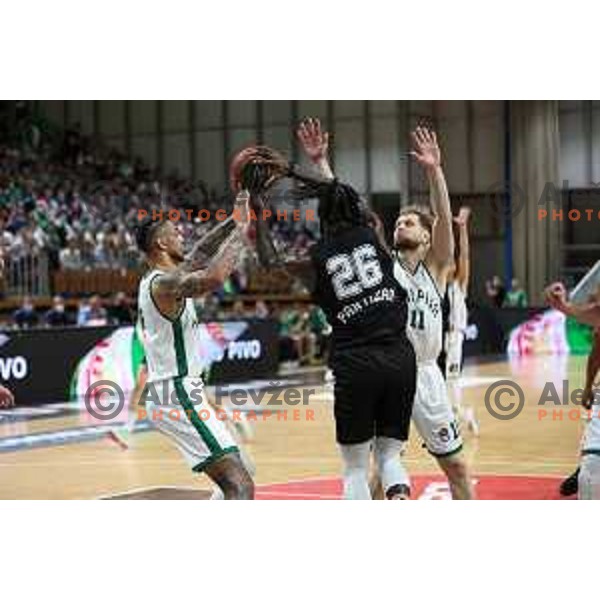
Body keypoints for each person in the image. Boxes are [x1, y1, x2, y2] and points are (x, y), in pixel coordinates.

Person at [272, 118, 417, 499]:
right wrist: (321, 166)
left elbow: (273, 262)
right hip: (400, 358)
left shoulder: (313, 259)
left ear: (321, 218)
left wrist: (255, 220)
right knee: (389, 458)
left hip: (356, 362)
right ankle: (400, 498)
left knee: (354, 468)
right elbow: (342, 198)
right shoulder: (374, 235)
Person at [134, 189, 255, 500]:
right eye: (176, 233)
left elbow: (201, 252)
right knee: (240, 485)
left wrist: (232, 219)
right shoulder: (163, 284)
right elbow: (213, 278)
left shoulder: (165, 278)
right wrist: (242, 232)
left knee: (241, 473)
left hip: (178, 390)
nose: (183, 236)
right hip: (175, 393)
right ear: (161, 244)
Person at [392, 127, 474, 499]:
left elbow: (441, 215)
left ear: (427, 238)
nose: (401, 224)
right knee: (383, 469)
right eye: (398, 222)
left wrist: (434, 171)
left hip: (426, 375)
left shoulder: (437, 267)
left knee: (457, 466)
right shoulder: (382, 265)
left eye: (408, 221)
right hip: (389, 372)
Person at [438, 206, 478, 435]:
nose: (452, 265)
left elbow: (464, 254)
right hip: (437, 338)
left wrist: (462, 228)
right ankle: (462, 414)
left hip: (454, 337)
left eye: (453, 263)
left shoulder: (458, 286)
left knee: (452, 380)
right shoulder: (437, 285)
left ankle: (455, 419)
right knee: (440, 383)